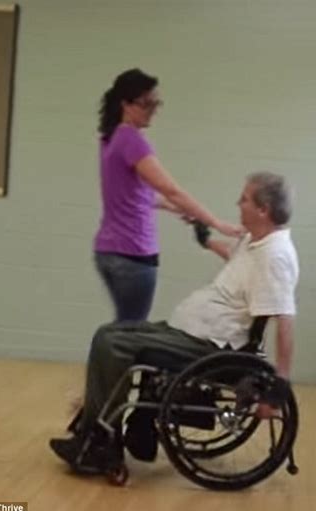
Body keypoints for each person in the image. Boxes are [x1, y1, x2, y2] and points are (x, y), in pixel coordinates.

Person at [51, 171, 299, 471]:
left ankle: (100, 441)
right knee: (111, 333)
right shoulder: (255, 241)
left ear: (263, 209)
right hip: (190, 331)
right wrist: (205, 239)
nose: (238, 203)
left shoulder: (276, 256)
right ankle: (102, 432)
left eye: (244, 199)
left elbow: (284, 316)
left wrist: (279, 384)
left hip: (209, 346)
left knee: (112, 341)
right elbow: (232, 256)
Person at [94, 68, 241, 322]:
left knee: (123, 329)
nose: (153, 109)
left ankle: (110, 361)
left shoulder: (111, 138)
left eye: (156, 103)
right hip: (133, 254)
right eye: (146, 103)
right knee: (131, 333)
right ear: (125, 104)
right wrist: (216, 222)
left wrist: (176, 209)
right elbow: (171, 189)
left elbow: (135, 196)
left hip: (108, 253)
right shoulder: (132, 140)